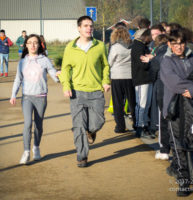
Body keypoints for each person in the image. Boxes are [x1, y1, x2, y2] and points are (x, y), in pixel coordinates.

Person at [160, 29, 193, 196]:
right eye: (174, 44)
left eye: (181, 43)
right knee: (179, 147)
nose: (179, 47)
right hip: (175, 110)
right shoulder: (166, 62)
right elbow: (175, 84)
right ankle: (183, 183)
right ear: (169, 44)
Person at [59, 16, 110, 168]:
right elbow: (65, 69)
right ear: (79, 28)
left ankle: (91, 131)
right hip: (77, 93)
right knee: (78, 126)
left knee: (98, 122)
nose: (89, 28)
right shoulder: (70, 47)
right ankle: (82, 156)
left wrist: (106, 81)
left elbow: (106, 66)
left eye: (91, 26)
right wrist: (66, 86)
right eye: (86, 26)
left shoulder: (100, 46)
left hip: (96, 92)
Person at [10, 34, 59, 165]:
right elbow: (18, 79)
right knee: (27, 124)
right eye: (30, 42)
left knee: (38, 125)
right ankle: (26, 152)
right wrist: (13, 94)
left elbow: (53, 73)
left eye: (35, 43)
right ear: (26, 45)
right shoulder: (22, 62)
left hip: (41, 97)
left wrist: (59, 77)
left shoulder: (44, 60)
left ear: (39, 45)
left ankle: (36, 148)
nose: (32, 45)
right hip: (26, 97)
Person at [108, 27, 136, 133]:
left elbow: (110, 62)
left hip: (117, 77)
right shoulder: (132, 46)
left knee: (118, 102)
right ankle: (136, 123)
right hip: (130, 76)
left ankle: (120, 126)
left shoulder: (115, 47)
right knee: (132, 102)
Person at [148, 34, 171, 160]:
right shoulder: (175, 55)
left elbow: (153, 72)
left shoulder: (158, 57)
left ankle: (164, 149)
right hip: (176, 92)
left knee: (163, 119)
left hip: (162, 89)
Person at [131, 29, 154, 138]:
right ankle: (139, 127)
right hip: (141, 79)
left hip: (147, 78)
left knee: (147, 104)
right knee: (141, 104)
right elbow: (143, 65)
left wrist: (150, 59)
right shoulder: (137, 46)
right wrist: (151, 59)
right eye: (151, 36)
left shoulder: (142, 46)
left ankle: (144, 125)